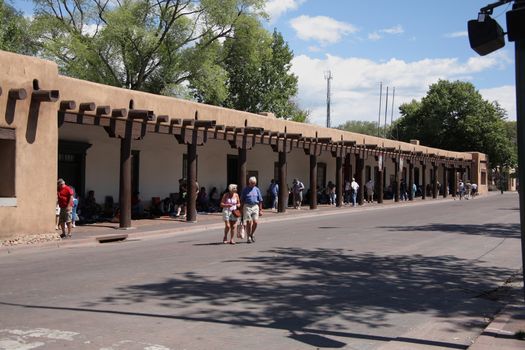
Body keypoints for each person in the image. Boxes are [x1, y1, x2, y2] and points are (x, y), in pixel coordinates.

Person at [240, 176, 263, 243]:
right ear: (249, 182)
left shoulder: (257, 189)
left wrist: (261, 209)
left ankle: (252, 234)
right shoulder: (245, 189)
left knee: (255, 222)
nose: (253, 184)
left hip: (255, 206)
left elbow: (260, 200)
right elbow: (242, 200)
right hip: (247, 206)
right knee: (249, 222)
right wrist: (241, 209)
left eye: (254, 183)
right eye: (252, 183)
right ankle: (248, 237)